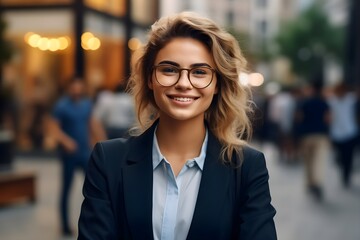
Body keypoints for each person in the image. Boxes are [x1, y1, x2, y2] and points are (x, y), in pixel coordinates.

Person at [78, 12, 277, 240]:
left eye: (200, 72)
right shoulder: (108, 160)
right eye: (169, 69)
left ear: (218, 84)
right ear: (150, 79)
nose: (183, 83)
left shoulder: (247, 167)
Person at [48, 77, 106, 236]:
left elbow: (92, 124)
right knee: (66, 189)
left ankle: (96, 223)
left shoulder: (86, 104)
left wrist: (103, 142)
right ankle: (65, 225)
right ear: (69, 88)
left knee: (95, 188)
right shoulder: (61, 105)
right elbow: (53, 129)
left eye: (79, 86)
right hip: (69, 155)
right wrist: (66, 141)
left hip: (85, 153)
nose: (76, 89)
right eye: (74, 86)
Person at [295, 80, 331, 201]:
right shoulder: (324, 102)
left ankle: (310, 183)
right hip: (320, 135)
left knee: (308, 161)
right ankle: (317, 182)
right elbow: (328, 119)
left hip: (306, 135)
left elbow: (299, 118)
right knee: (318, 160)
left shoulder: (305, 102)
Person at [328, 82, 358, 187]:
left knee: (348, 157)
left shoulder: (351, 100)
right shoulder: (331, 101)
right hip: (336, 133)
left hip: (350, 132)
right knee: (340, 157)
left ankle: (346, 176)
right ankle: (344, 172)